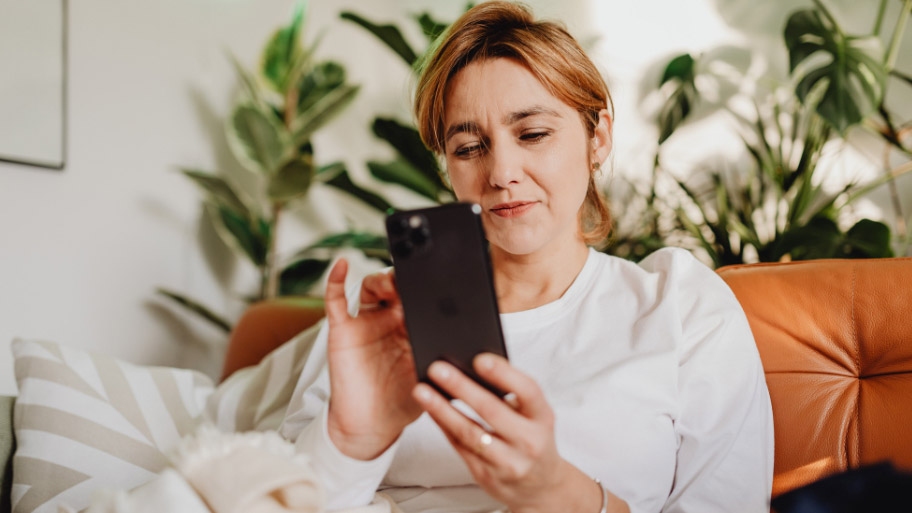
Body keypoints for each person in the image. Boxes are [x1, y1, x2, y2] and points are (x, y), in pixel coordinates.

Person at [279, 2, 774, 512]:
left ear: (597, 137)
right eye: (469, 148)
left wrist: (555, 493)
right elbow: (281, 499)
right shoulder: (391, 312)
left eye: (533, 134)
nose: (501, 173)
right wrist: (351, 441)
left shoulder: (678, 306)